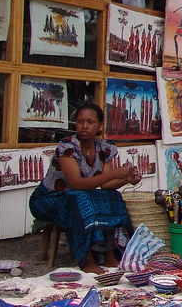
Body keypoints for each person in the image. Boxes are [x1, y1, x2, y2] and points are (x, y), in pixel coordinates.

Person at [29, 102, 139, 274]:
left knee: (113, 196)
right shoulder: (67, 147)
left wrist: (126, 179)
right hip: (48, 200)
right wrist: (114, 174)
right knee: (79, 198)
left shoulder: (104, 149)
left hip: (76, 197)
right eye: (80, 122)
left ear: (99, 125)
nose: (84, 126)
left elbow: (106, 185)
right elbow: (77, 183)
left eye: (90, 122)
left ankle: (110, 253)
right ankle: (86, 259)